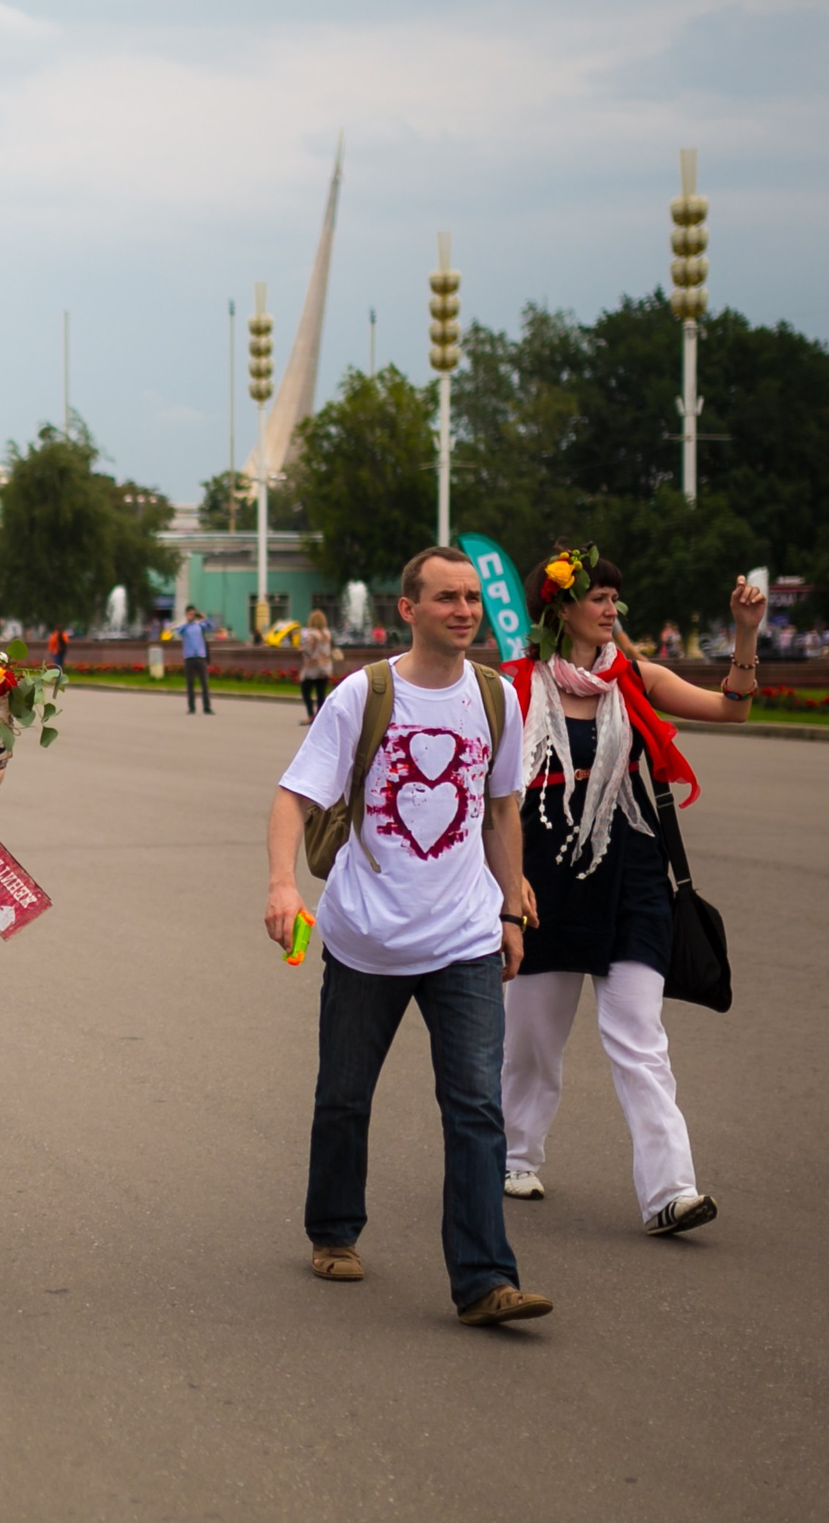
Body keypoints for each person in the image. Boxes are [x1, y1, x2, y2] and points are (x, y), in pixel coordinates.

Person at [266, 546, 550, 1328]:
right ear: (409, 609)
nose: (465, 610)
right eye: (447, 598)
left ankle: (485, 1277)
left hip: (463, 936)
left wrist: (509, 911)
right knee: (344, 1096)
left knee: (474, 1106)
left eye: (471, 598)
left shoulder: (495, 698)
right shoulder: (364, 694)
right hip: (367, 937)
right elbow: (295, 795)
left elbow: (500, 812)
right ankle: (333, 1226)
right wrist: (283, 883)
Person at [496, 547, 765, 1235]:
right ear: (559, 607)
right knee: (530, 1040)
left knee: (640, 1038)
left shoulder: (634, 676)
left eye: (617, 597)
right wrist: (501, 883)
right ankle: (515, 1153)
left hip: (631, 871)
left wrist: (744, 634)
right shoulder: (513, 685)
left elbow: (731, 710)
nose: (613, 608)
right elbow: (484, 789)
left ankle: (670, 1191)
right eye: (599, 597)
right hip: (542, 876)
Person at [296, 604, 338, 723]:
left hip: (312, 667)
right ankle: (320, 717)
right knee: (321, 693)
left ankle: (310, 715)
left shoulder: (311, 634)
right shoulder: (327, 633)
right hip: (325, 666)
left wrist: (302, 649)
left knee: (305, 690)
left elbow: (308, 649)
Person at [178, 604, 213, 714]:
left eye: (193, 614)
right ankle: (191, 707)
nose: (192, 616)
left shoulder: (200, 625)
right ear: (186, 614)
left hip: (200, 657)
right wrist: (186, 621)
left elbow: (211, 627)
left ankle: (207, 707)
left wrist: (204, 617)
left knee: (204, 683)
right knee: (190, 684)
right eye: (190, 614)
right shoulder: (184, 627)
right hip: (189, 658)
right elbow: (178, 632)